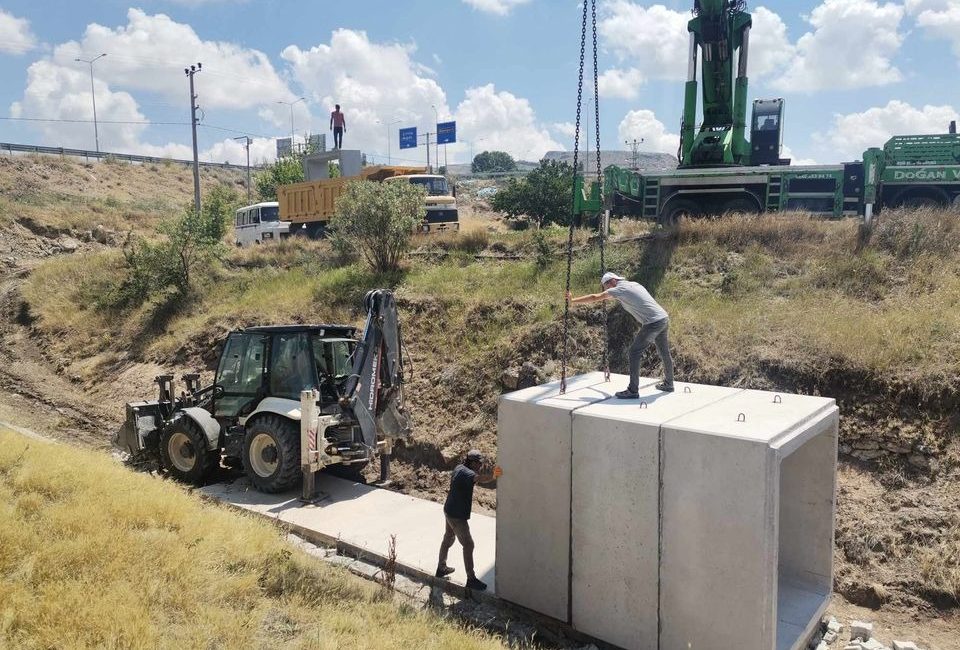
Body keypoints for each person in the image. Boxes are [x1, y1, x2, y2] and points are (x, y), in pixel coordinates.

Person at [567, 272, 674, 398]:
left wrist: (572, 301)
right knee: (664, 352)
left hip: (653, 322)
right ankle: (669, 384)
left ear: (612, 281)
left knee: (634, 352)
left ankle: (633, 390)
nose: (607, 290)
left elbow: (595, 297)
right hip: (663, 318)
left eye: (606, 286)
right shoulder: (633, 284)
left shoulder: (620, 289)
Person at [436, 449, 501, 591]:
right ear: (472, 462)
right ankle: (471, 579)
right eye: (478, 463)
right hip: (457, 516)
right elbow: (479, 478)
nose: (480, 466)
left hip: (449, 510)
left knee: (448, 538)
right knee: (468, 544)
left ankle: (441, 568)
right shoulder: (468, 473)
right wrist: (495, 475)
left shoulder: (459, 467)